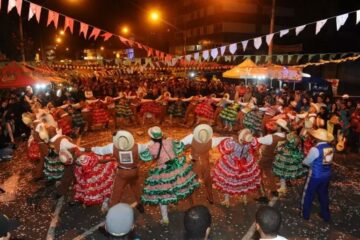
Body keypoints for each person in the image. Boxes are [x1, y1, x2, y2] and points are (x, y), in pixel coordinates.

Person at [139, 126, 199, 224]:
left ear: (151, 137)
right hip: (177, 166)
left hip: (164, 170)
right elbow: (179, 148)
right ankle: (192, 207)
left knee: (162, 193)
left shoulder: (152, 148)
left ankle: (165, 218)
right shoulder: (170, 141)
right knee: (179, 186)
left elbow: (148, 159)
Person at [91, 130, 148, 212]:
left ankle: (113, 209)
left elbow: (100, 150)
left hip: (122, 172)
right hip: (134, 171)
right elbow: (147, 146)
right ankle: (140, 204)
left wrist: (88, 149)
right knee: (136, 188)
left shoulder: (112, 147)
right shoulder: (137, 146)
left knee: (116, 191)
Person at [181, 124, 229, 204]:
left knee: (192, 181)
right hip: (206, 163)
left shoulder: (191, 139)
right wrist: (232, 137)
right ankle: (210, 198)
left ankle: (192, 201)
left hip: (195, 163)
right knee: (208, 181)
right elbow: (222, 139)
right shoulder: (212, 141)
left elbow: (180, 145)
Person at [302, 128, 334, 222]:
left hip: (315, 175)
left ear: (317, 138)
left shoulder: (315, 149)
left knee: (308, 194)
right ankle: (326, 215)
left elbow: (307, 162)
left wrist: (304, 162)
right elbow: (327, 162)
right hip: (326, 175)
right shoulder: (330, 147)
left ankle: (305, 215)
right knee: (323, 194)